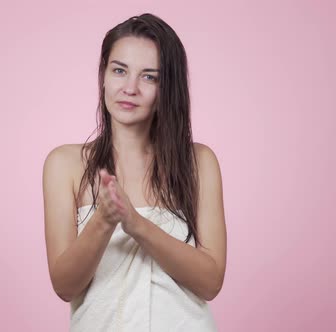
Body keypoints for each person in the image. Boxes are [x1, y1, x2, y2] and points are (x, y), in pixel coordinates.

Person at [42, 13, 226, 331]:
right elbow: (64, 286)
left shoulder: (199, 162)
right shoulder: (65, 164)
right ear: (103, 75)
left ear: (168, 87)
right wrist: (103, 219)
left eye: (149, 77)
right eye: (119, 71)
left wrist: (135, 224)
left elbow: (210, 282)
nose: (130, 88)